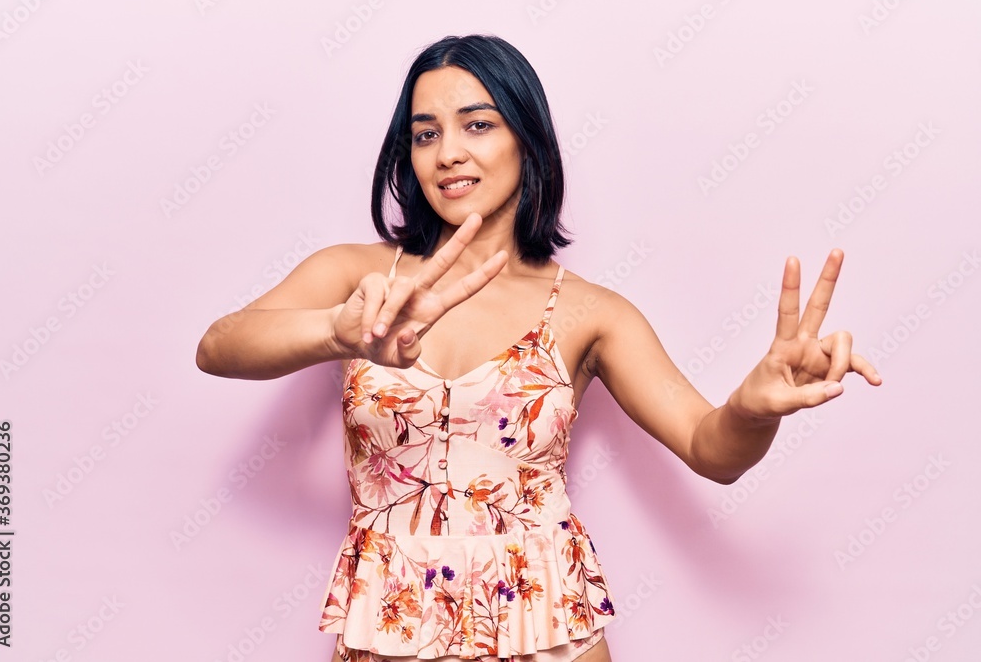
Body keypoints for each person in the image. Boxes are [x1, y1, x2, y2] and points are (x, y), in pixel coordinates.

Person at [196, 34, 882, 662]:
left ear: (528, 139)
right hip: (388, 626)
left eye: (477, 124)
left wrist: (753, 409)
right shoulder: (358, 277)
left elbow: (713, 448)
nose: (448, 152)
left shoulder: (590, 312)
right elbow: (219, 345)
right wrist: (334, 332)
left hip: (547, 631)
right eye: (426, 133)